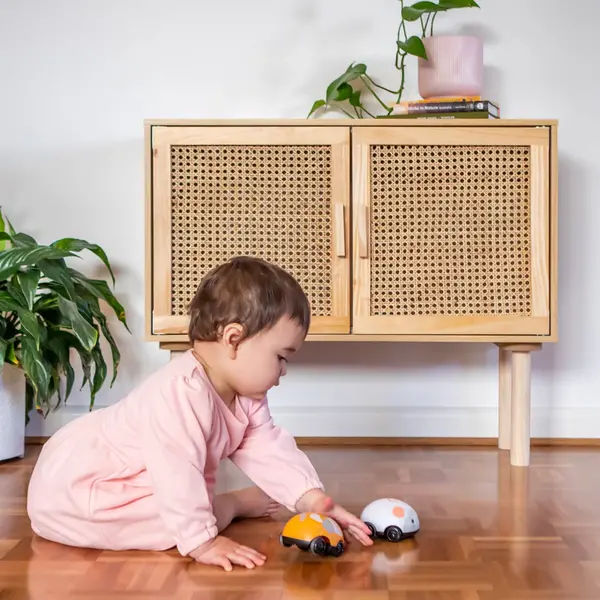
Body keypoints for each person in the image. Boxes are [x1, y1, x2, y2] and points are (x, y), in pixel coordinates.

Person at [27, 256, 373, 571]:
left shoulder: (246, 396)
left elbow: (268, 448)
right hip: (76, 490)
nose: (283, 371)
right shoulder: (180, 392)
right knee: (179, 519)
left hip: (131, 482)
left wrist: (312, 498)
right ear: (233, 340)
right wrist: (202, 541)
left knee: (185, 508)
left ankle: (215, 510)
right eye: (281, 357)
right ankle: (232, 505)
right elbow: (176, 474)